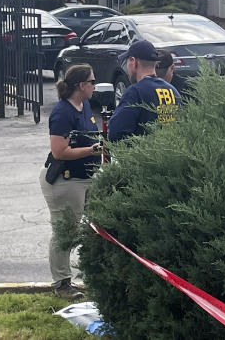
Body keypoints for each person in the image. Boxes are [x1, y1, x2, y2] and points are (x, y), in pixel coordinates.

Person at [39, 64, 104, 300]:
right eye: (92, 81)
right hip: (65, 181)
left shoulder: (84, 105)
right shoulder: (62, 113)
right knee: (65, 231)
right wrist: (92, 150)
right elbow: (59, 152)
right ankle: (61, 283)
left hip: (86, 177)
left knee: (98, 225)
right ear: (81, 85)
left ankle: (94, 275)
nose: (95, 86)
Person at [108, 40, 182, 142]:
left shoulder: (135, 93)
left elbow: (116, 134)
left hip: (142, 156)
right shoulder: (173, 91)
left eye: (127, 62)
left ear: (134, 62)